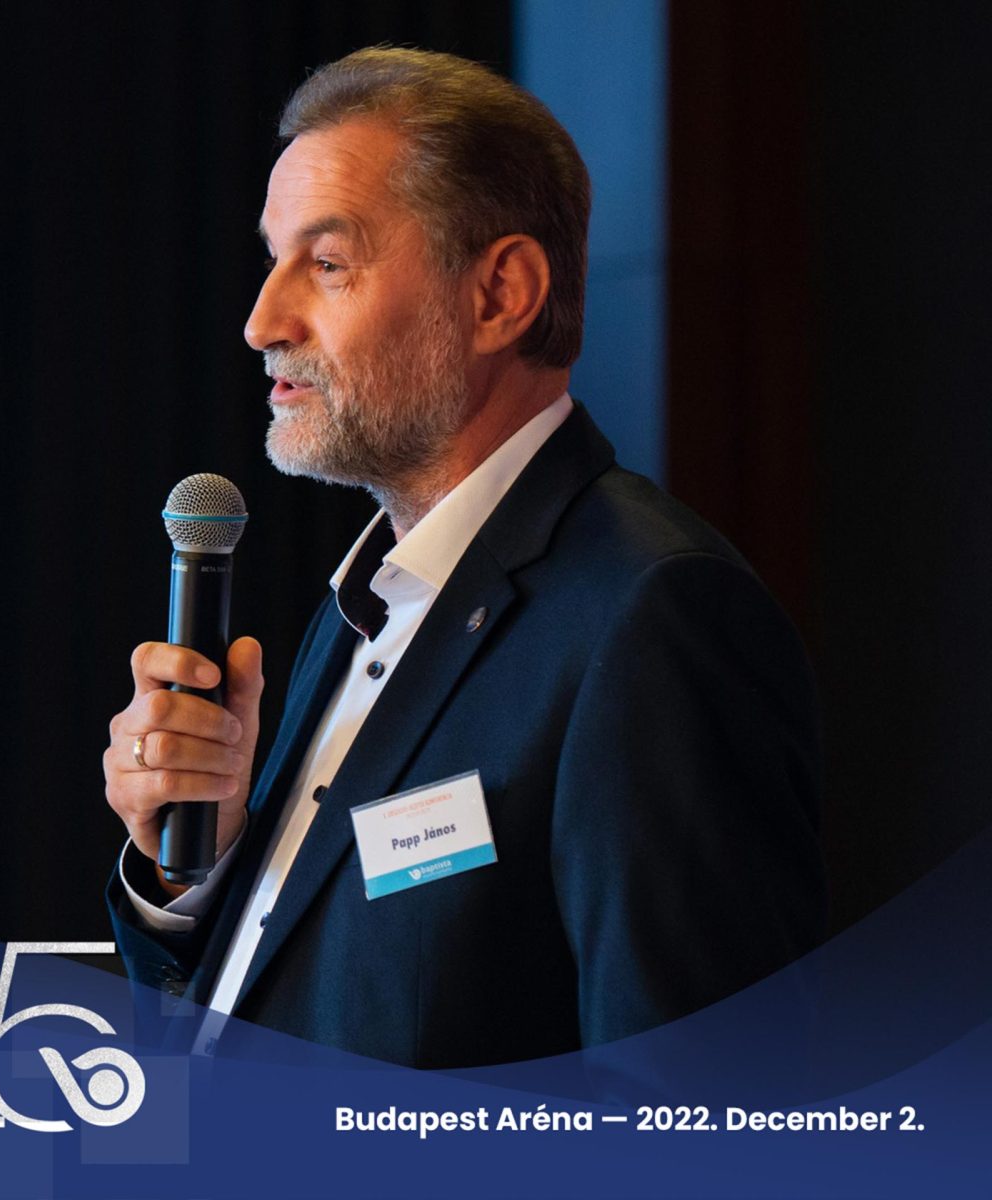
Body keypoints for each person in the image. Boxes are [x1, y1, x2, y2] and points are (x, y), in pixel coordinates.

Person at [103, 47, 826, 1069]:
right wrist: (196, 872)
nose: (262, 322)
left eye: (327, 263)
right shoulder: (365, 608)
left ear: (500, 294)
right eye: (272, 260)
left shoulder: (652, 616)